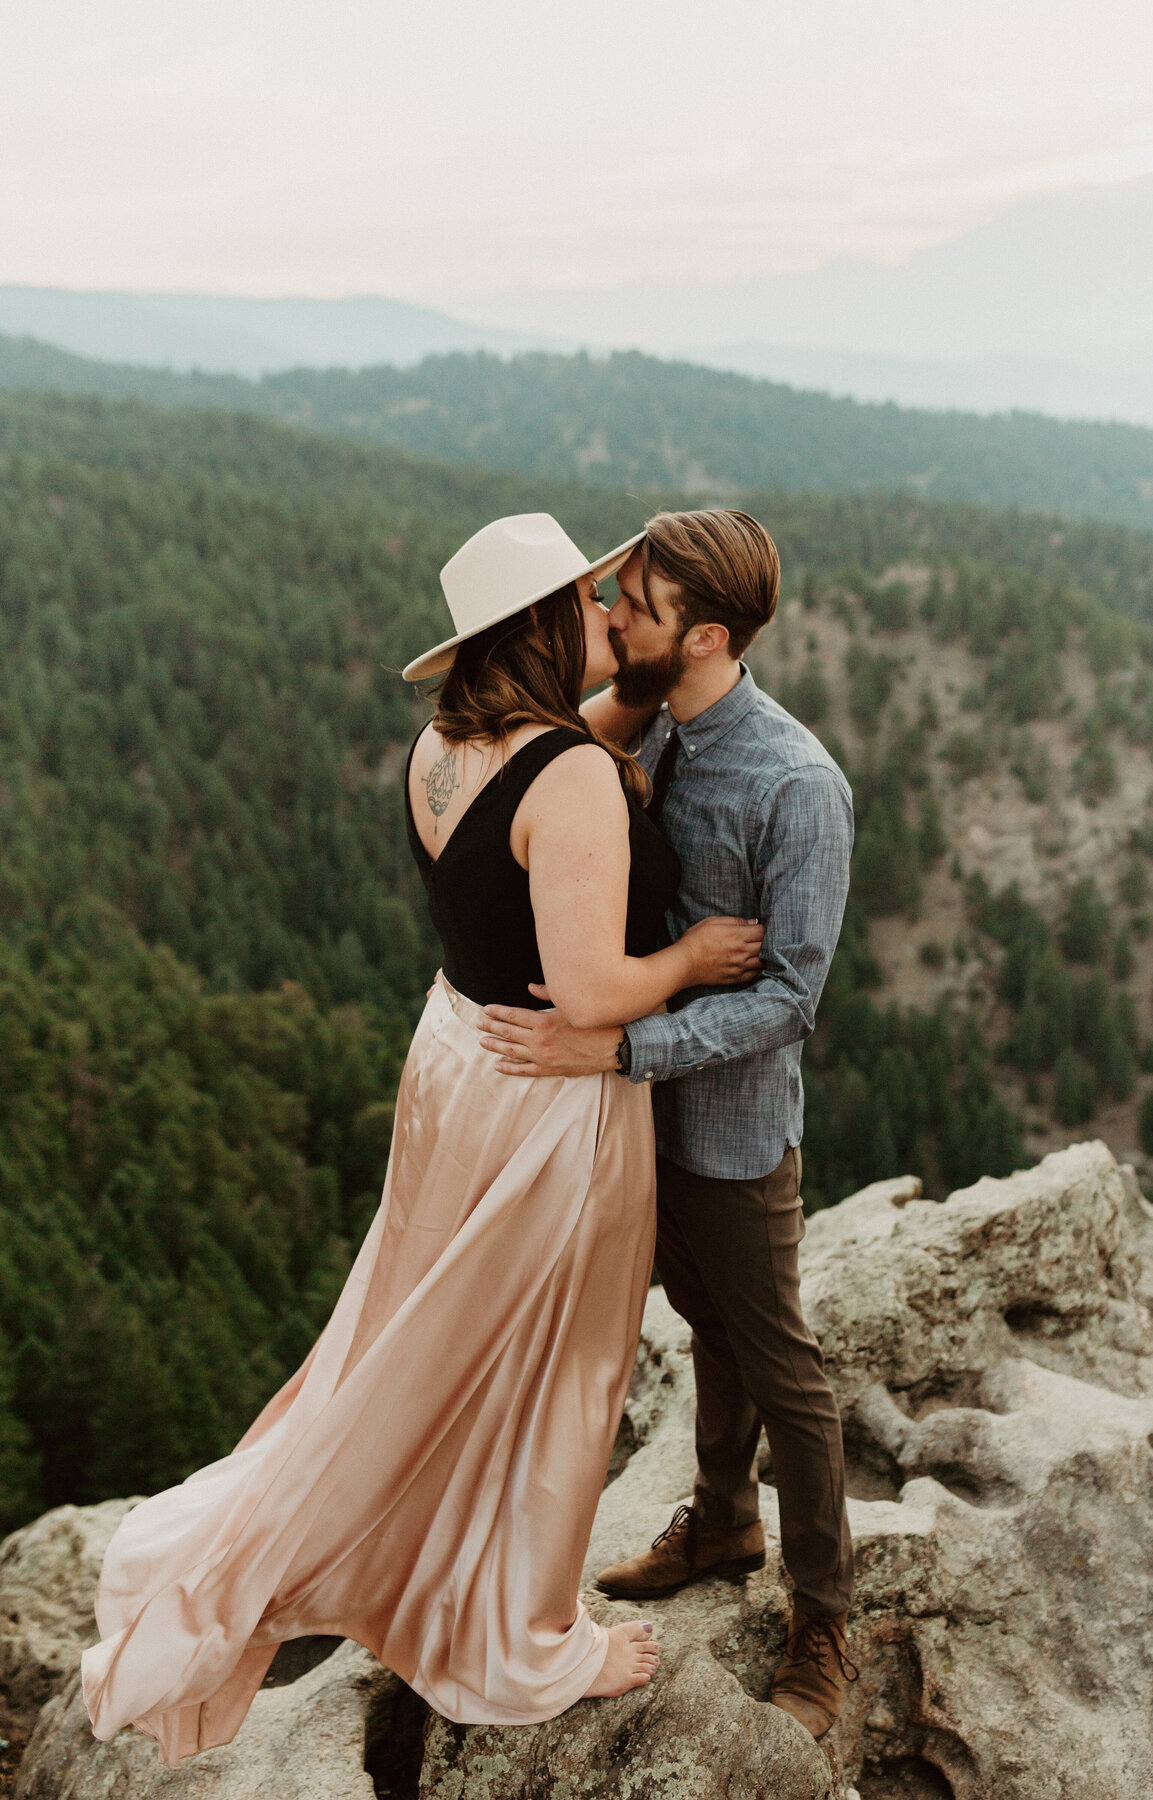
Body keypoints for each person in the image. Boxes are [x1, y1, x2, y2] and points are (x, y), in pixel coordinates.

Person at [80, 512, 763, 1766]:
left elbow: (561, 763)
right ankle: (521, 1641)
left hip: (454, 1063)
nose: (608, 613)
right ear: (548, 626)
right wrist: (696, 956)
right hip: (545, 1095)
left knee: (426, 1337)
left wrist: (629, 705)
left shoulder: (447, 745)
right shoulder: (567, 780)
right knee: (556, 1362)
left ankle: (421, 1575)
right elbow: (594, 989)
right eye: (588, 601)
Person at [477, 508, 858, 1741]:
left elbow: (793, 1000)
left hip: (736, 1139)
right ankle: (721, 1521)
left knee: (787, 1375)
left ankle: (823, 1628)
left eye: (629, 607)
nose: (606, 619)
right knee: (708, 1330)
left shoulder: (797, 783)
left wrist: (628, 1041)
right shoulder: (654, 734)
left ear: (700, 634)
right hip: (637, 1125)